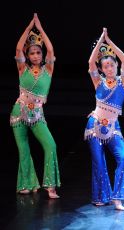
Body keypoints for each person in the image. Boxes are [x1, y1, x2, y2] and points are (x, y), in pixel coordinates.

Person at [11, 13, 60, 199]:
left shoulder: (48, 69)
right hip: (18, 113)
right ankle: (26, 184)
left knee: (51, 145)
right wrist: (29, 26)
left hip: (37, 115)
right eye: (31, 53)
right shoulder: (23, 69)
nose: (35, 55)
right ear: (27, 55)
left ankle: (50, 186)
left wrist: (40, 29)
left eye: (38, 52)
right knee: (23, 150)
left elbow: (51, 49)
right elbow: (18, 48)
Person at [85, 28, 124, 210]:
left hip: (113, 126)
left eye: (112, 65)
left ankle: (117, 197)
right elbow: (91, 62)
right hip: (94, 125)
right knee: (98, 162)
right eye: (106, 66)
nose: (110, 68)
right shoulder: (98, 82)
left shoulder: (123, 82)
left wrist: (109, 41)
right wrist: (100, 43)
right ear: (102, 69)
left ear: (116, 66)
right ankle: (100, 196)